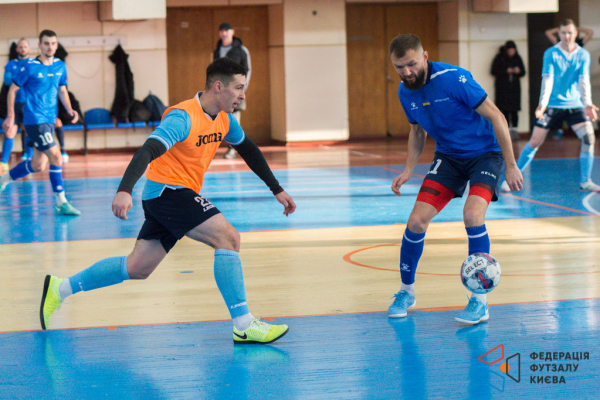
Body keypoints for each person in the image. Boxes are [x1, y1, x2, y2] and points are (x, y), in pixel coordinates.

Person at [39, 58, 297, 345]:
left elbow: (248, 150)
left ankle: (60, 289)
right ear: (218, 86)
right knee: (229, 238)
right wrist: (124, 189)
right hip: (168, 192)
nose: (243, 95)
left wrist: (276, 188)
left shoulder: (225, 120)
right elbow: (148, 150)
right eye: (239, 88)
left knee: (138, 267)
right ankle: (244, 324)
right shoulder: (183, 117)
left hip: (167, 197)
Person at [387, 34, 523, 325]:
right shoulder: (405, 91)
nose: (407, 72)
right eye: (399, 67)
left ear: (425, 56)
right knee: (416, 221)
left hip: (485, 154)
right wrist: (408, 170)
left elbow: (498, 117)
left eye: (411, 64)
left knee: (472, 215)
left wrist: (511, 165)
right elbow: (417, 131)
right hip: (448, 158)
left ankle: (479, 300)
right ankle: (406, 292)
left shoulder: (454, 79)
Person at [501, 19, 600, 192]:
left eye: (570, 33)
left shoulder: (583, 54)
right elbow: (548, 79)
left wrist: (587, 104)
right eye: (563, 33)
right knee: (534, 141)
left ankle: (585, 181)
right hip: (552, 105)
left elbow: (583, 81)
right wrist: (543, 104)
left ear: (576, 34)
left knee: (588, 138)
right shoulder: (551, 53)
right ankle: (512, 179)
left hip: (575, 105)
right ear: (559, 34)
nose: (567, 36)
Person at [0, 30, 80, 215]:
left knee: (38, 165)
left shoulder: (60, 66)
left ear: (56, 45)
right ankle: (61, 202)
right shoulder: (30, 67)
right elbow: (12, 90)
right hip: (35, 120)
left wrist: (69, 109)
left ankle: (3, 180)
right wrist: (11, 116)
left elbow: (62, 90)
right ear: (40, 45)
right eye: (46, 43)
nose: (50, 47)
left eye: (53, 43)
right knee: (56, 157)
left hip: (49, 120)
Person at [213, 22, 251, 160]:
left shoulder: (241, 50)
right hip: (220, 92)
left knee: (233, 121)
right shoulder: (217, 50)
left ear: (232, 32)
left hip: (235, 91)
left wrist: (241, 89)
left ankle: (232, 149)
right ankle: (211, 148)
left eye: (227, 30)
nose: (224, 33)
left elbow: (247, 70)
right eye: (222, 31)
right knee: (216, 119)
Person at [1, 38, 33, 172]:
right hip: (13, 103)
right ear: (17, 49)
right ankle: (3, 162)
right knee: (9, 131)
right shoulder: (11, 64)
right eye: (20, 47)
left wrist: (18, 77)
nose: (23, 49)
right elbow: (7, 81)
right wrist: (23, 77)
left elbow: (34, 81)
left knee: (28, 130)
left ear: (29, 48)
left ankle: (29, 159)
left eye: (25, 47)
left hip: (28, 103)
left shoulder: (33, 63)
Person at [491, 41, 525, 141]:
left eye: (513, 50)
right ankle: (506, 131)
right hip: (503, 89)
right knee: (504, 110)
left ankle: (514, 130)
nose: (511, 52)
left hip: (514, 89)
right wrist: (506, 71)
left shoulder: (517, 58)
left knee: (514, 110)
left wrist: (518, 71)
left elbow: (523, 72)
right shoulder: (499, 58)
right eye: (509, 51)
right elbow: (493, 71)